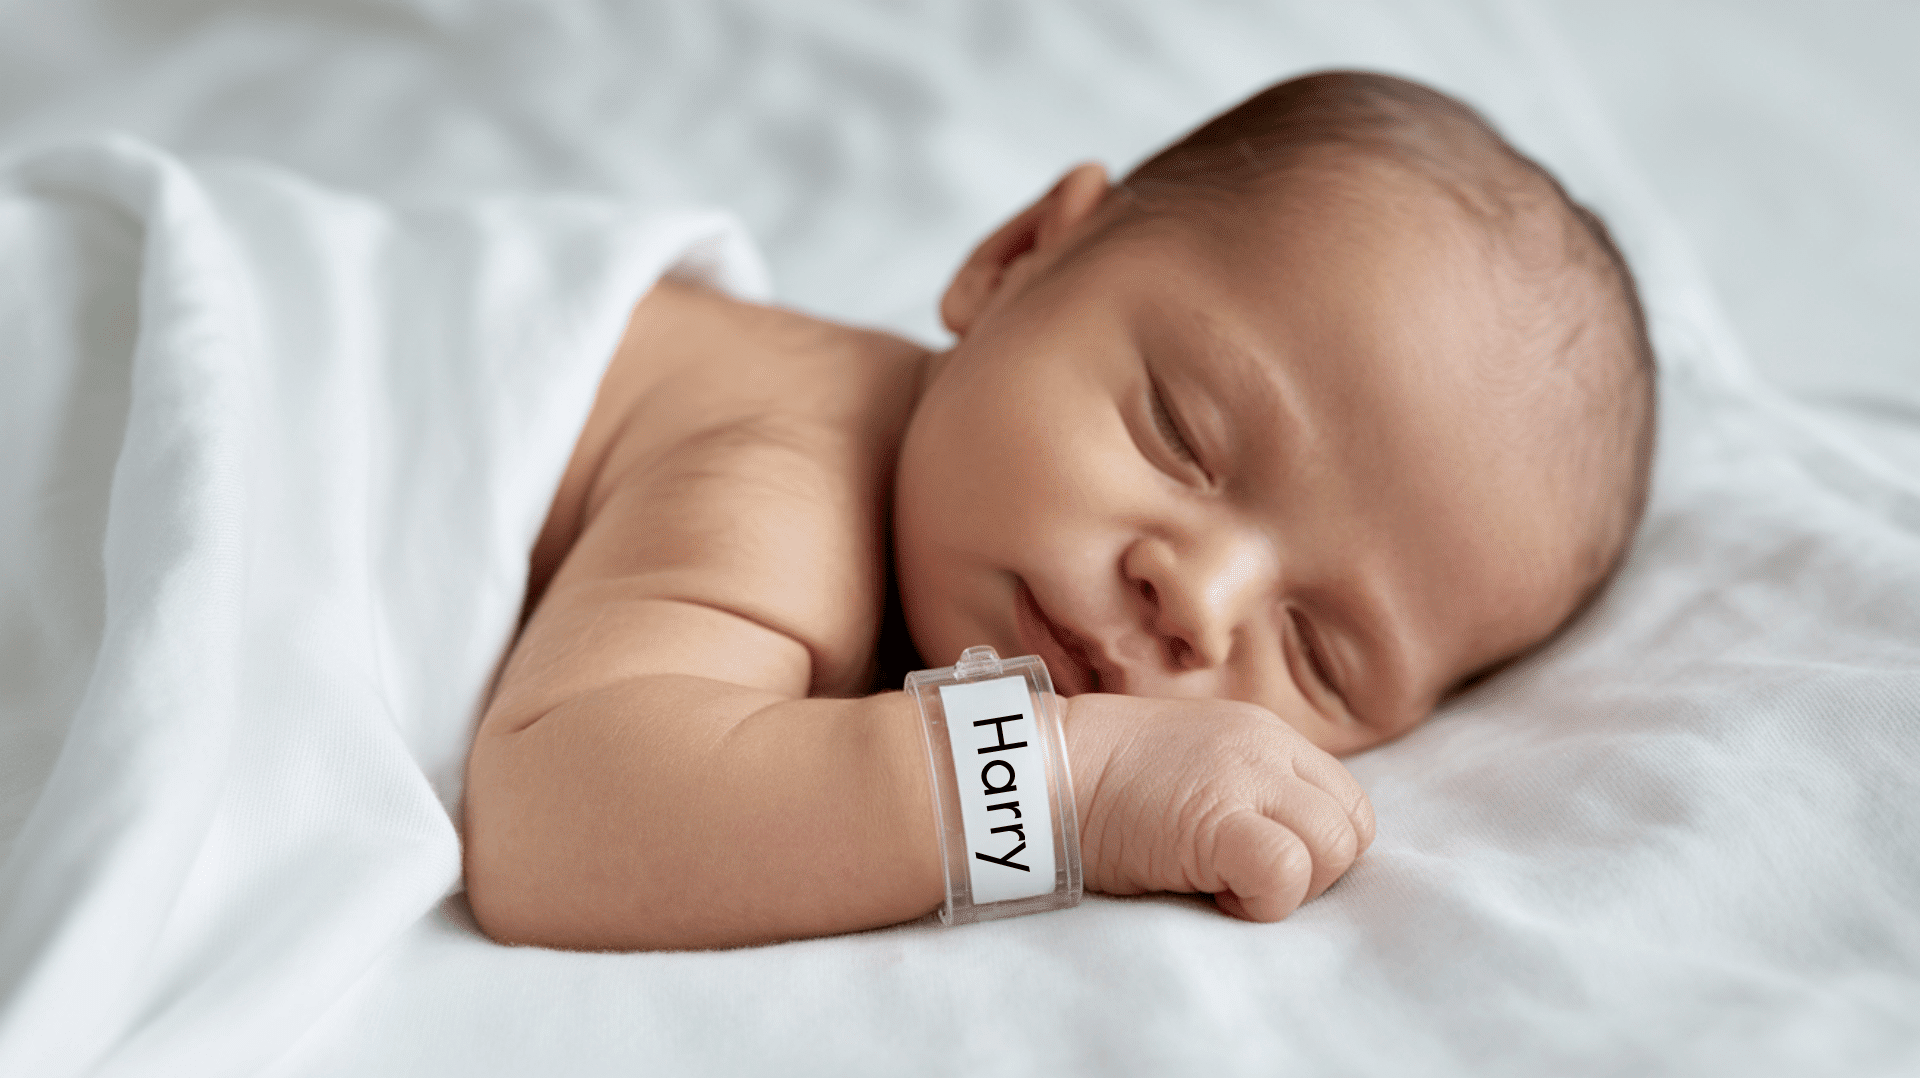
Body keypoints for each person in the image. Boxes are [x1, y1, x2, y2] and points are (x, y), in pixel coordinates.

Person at [463, 70, 1656, 950]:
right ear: (1020, 254)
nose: (1199, 599)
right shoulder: (796, 455)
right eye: (1179, 434)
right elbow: (557, 822)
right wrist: (1068, 783)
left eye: (1319, 653)